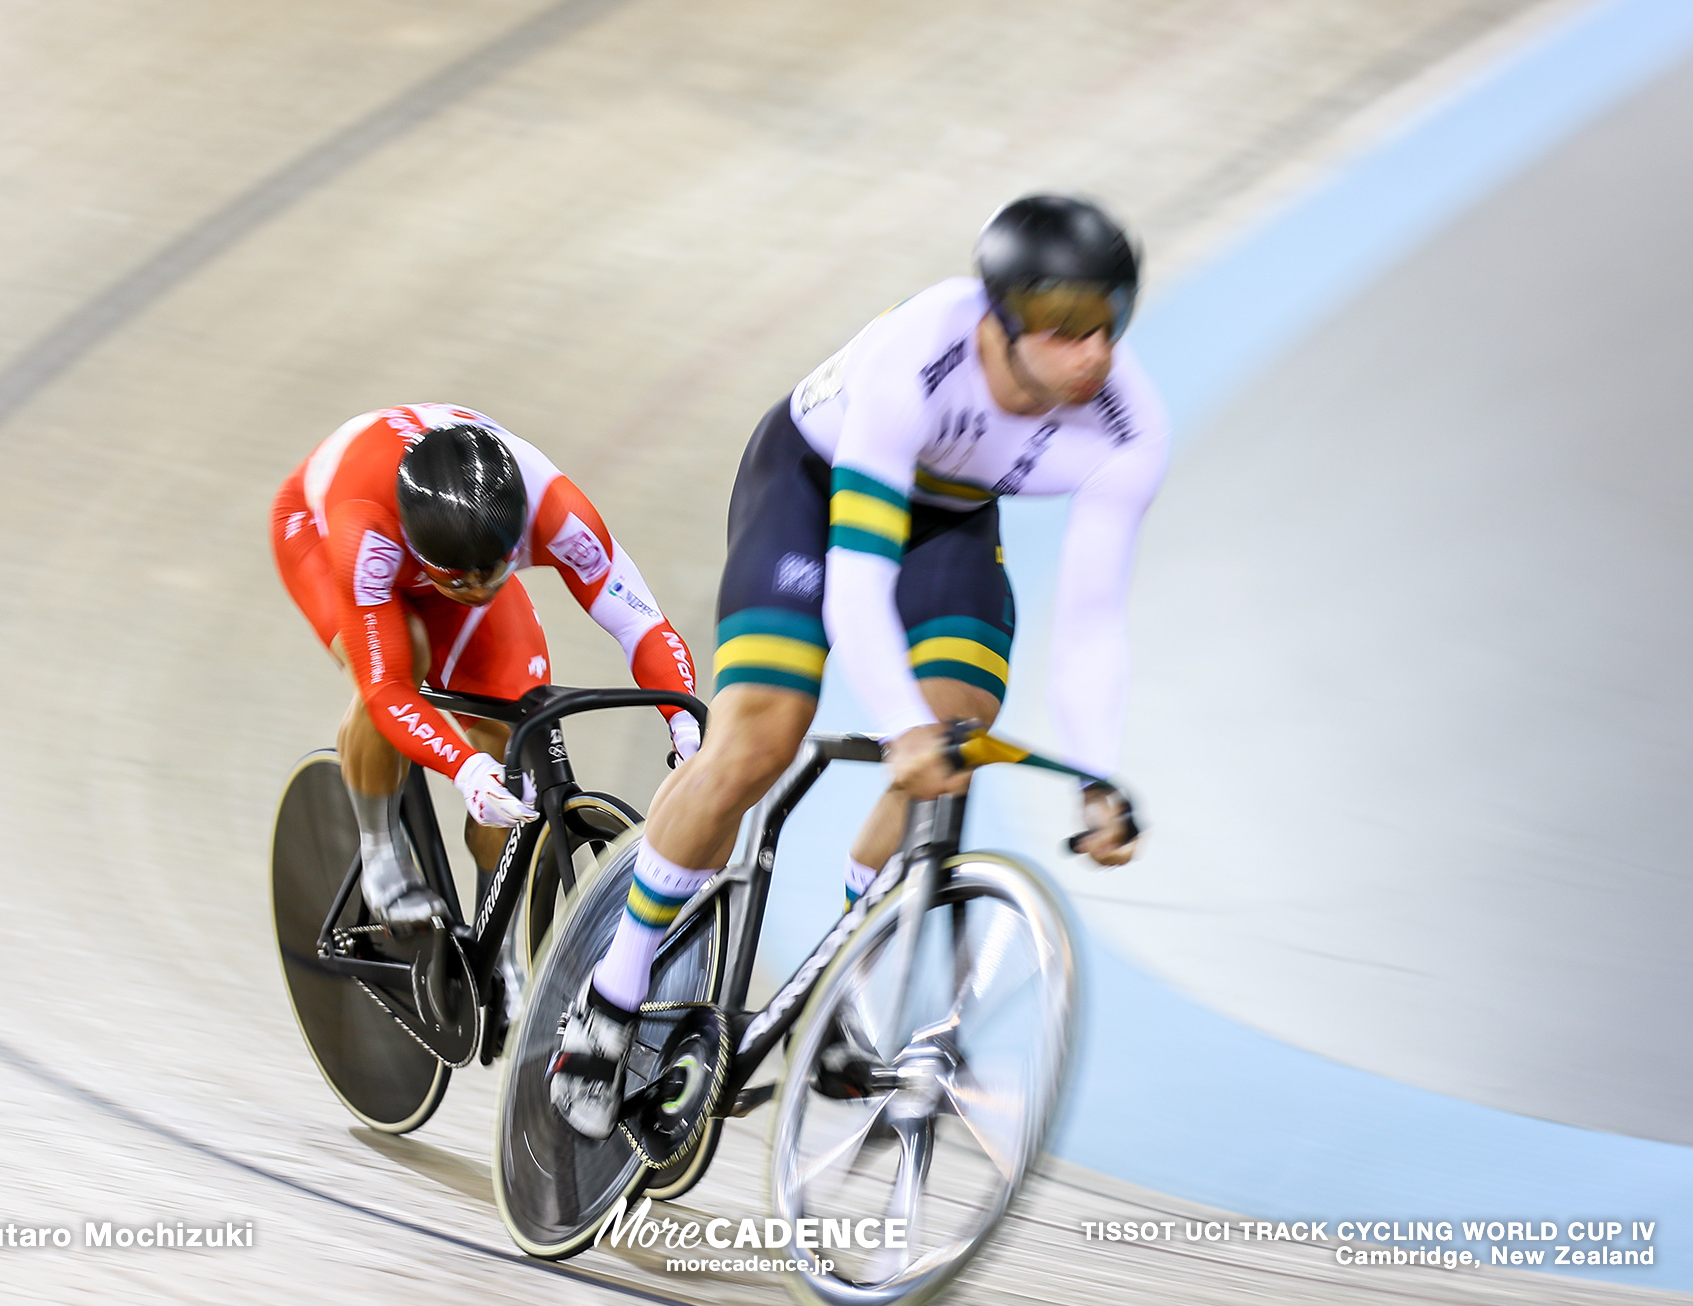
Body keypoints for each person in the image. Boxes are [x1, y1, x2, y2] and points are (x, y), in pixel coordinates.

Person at [550, 195, 1163, 1138]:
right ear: (999, 319)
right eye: (1065, 328)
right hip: (808, 483)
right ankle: (612, 996)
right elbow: (855, 588)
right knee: (758, 738)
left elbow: (1090, 620)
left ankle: (839, 977)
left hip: (951, 520)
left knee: (954, 739)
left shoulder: (1127, 425)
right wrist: (898, 726)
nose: (1094, 353)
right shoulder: (917, 356)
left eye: (1109, 322)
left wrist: (1095, 772)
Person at [271, 403, 701, 930]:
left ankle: (494, 948)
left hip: (445, 542)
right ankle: (380, 851)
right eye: (457, 582)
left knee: (513, 728)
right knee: (400, 656)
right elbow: (387, 690)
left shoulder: (552, 508)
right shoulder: (368, 531)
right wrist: (465, 770)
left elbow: (642, 623)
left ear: (516, 539)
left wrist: (682, 719)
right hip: (316, 531)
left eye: (489, 575)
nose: (475, 592)